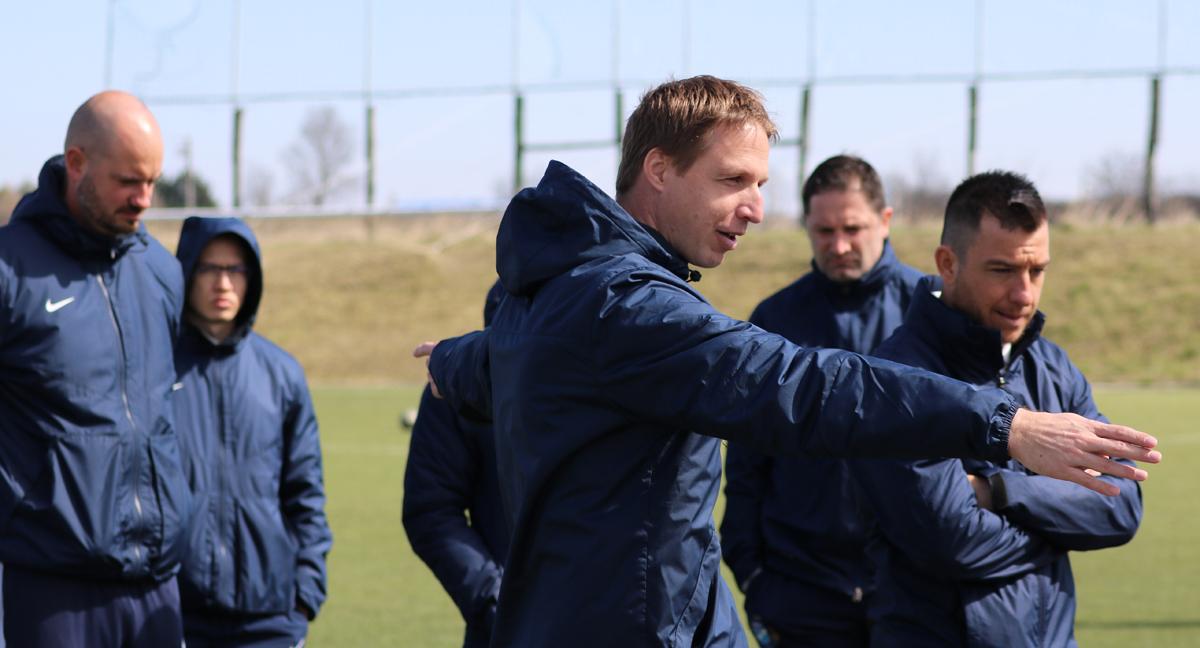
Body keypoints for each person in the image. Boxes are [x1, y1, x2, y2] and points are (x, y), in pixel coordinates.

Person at [415, 76, 1157, 647]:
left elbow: (514, 356)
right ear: (659, 170)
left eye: (762, 185)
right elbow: (806, 385)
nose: (757, 208)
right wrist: (1005, 425)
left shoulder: (563, 290)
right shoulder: (631, 307)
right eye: (732, 181)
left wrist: (452, 359)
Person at [852, 171, 1143, 647]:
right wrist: (1058, 532)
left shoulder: (1053, 366)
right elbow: (952, 541)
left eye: (1037, 271)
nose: (1024, 294)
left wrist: (998, 490)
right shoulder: (896, 378)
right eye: (1003, 271)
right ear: (948, 264)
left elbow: (1120, 506)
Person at [0, 91, 190, 646]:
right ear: (77, 163)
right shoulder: (9, 270)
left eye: (152, 181)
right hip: (51, 588)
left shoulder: (161, 272)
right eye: (128, 181)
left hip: (156, 585)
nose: (144, 199)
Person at [720, 155, 919, 647]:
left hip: (916, 590)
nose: (839, 245)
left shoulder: (932, 314)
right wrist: (754, 576)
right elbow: (746, 464)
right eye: (824, 231)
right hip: (801, 594)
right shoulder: (774, 320)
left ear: (885, 220)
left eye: (853, 228)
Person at [172, 216, 333, 647]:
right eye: (209, 268)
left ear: (253, 277)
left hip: (271, 614)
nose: (223, 283)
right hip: (176, 613)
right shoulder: (155, 369)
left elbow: (306, 492)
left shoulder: (282, 373)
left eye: (235, 269)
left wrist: (305, 592)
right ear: (186, 272)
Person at [404, 282, 509, 648]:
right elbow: (431, 510)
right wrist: (497, 602)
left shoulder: (609, 360)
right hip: (501, 631)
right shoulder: (455, 382)